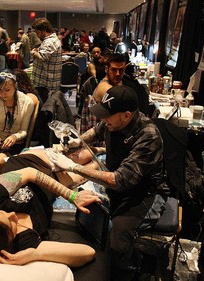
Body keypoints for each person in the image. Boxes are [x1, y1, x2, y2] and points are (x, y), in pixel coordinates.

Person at [49, 85, 166, 281]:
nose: (103, 119)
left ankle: (129, 272)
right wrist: (75, 141)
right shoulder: (112, 121)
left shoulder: (148, 136)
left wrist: (72, 166)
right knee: (89, 225)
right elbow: (94, 132)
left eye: (108, 115)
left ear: (126, 115)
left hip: (141, 194)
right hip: (116, 184)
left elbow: (119, 180)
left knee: (117, 244)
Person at [0, 150, 101, 266]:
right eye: (11, 225)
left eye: (2, 213)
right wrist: (34, 254)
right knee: (95, 166)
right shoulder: (22, 243)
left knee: (85, 154)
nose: (12, 214)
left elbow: (30, 173)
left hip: (33, 164)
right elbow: (88, 252)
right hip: (53, 186)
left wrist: (72, 196)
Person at [31, 18, 62, 91]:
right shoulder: (52, 40)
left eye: (37, 32)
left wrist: (33, 52)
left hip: (45, 85)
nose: (37, 35)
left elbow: (42, 56)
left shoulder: (49, 41)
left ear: (44, 31)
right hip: (47, 83)